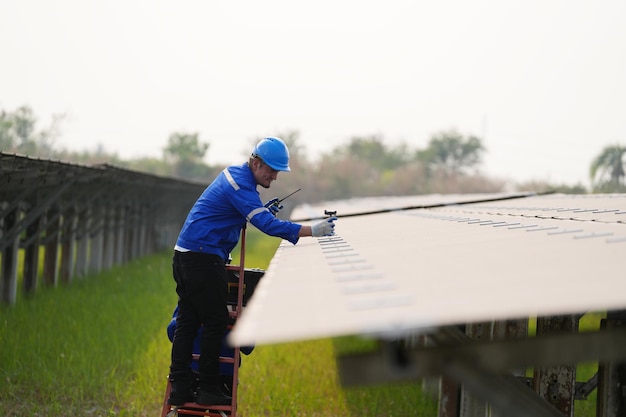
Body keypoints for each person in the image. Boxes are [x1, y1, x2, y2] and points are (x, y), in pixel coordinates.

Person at [168, 136, 337, 406]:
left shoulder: (237, 179)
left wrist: (259, 211)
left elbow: (239, 213)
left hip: (186, 255)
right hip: (202, 258)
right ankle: (208, 388)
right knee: (214, 321)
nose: (275, 177)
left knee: (188, 321)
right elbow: (267, 226)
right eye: (271, 170)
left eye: (278, 171)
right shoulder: (239, 185)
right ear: (256, 163)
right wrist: (312, 231)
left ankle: (180, 388)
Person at [166, 306, 254, 399]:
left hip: (190, 369)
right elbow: (248, 347)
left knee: (189, 411)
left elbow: (173, 331)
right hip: (224, 374)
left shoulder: (192, 295)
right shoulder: (240, 304)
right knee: (222, 411)